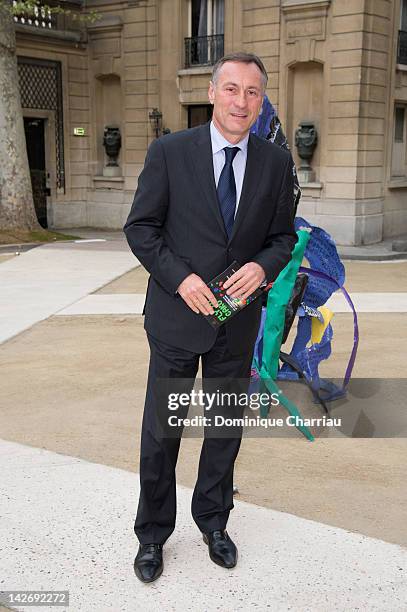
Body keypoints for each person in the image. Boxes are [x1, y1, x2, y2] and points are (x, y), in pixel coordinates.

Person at [123, 51, 298, 583]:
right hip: (177, 319)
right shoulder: (170, 152)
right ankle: (152, 534)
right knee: (163, 431)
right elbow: (142, 229)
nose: (241, 101)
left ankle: (214, 522)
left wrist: (262, 269)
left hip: (237, 324)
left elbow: (283, 237)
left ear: (261, 100)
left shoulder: (274, 162)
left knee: (224, 430)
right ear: (212, 92)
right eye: (231, 89)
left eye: (252, 92)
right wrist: (181, 279)